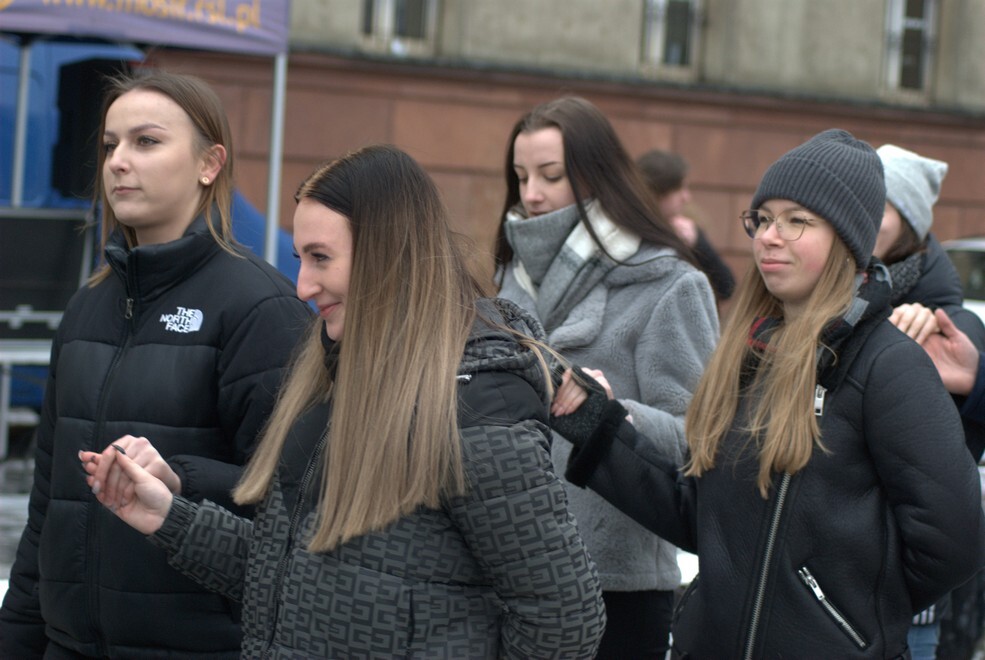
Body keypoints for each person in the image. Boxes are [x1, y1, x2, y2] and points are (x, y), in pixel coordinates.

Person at [80, 144, 607, 658]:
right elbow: (287, 574)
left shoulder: (476, 405)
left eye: (321, 258)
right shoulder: (332, 378)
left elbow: (564, 618)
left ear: (388, 255)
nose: (303, 286)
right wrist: (170, 518)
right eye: (299, 258)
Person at [552, 129, 985, 658]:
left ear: (848, 238)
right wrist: (602, 430)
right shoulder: (746, 354)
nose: (769, 236)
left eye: (797, 221)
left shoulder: (889, 366)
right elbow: (702, 518)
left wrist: (847, 617)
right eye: (762, 218)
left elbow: (954, 544)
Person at [0, 71, 313, 658]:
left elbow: (297, 503)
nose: (118, 161)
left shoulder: (259, 307)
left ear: (209, 163)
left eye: (146, 142)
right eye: (110, 144)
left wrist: (181, 479)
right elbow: (48, 508)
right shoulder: (87, 308)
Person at [494, 96, 719, 658]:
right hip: (505, 573)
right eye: (520, 176)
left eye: (551, 175)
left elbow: (701, 438)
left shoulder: (669, 284)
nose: (531, 194)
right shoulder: (508, 278)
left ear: (597, 176)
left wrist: (613, 412)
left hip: (615, 587)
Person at [873, 143, 985, 659]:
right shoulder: (827, 298)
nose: (866, 211)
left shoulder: (949, 324)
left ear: (912, 223)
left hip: (904, 607)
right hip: (817, 598)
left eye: (883, 204)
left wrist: (977, 379)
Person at [637, 148, 736, 300]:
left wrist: (698, 244)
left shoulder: (688, 228)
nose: (686, 197)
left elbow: (726, 286)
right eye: (678, 189)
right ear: (657, 193)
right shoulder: (630, 231)